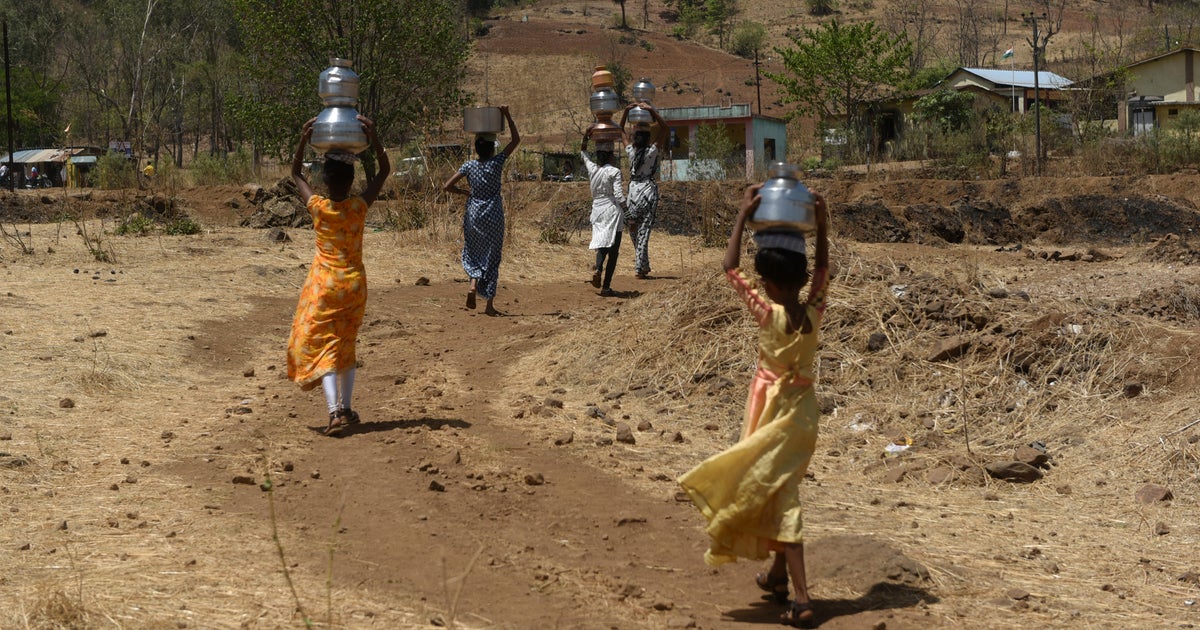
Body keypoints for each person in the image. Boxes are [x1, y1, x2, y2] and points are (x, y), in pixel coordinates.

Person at [677, 183, 829, 627]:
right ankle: (778, 577)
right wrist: (822, 224)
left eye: (763, 280)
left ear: (770, 283)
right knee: (779, 486)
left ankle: (803, 599)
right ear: (801, 280)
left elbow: (729, 268)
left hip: (771, 415)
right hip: (803, 416)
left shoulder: (767, 314)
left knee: (781, 497)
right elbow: (823, 268)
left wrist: (743, 214)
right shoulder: (814, 310)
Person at [287, 114, 390, 436]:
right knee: (346, 343)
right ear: (351, 181)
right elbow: (385, 171)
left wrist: (303, 139)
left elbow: (295, 173)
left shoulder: (318, 207)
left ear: (326, 181)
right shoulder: (359, 207)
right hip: (354, 286)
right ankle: (345, 408)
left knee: (326, 345)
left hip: (325, 286)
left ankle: (334, 413)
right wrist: (374, 136)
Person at [443, 105, 520, 316]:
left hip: (474, 214)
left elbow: (447, 186)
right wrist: (507, 114)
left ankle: (473, 285)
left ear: (477, 148)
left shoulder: (469, 166)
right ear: (492, 147)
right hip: (493, 214)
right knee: (492, 257)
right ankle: (489, 306)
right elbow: (515, 140)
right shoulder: (497, 162)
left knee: (474, 251)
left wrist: (464, 192)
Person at [619, 102, 669, 279]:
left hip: (633, 192)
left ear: (634, 138)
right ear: (648, 138)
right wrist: (651, 111)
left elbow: (620, 130)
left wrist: (626, 111)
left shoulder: (630, 151)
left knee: (633, 227)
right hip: (648, 191)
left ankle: (642, 265)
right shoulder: (652, 151)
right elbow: (665, 128)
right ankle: (641, 267)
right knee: (644, 230)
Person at [581, 126, 628, 297]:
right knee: (613, 251)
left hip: (597, 211)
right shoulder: (614, 171)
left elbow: (583, 153)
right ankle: (606, 287)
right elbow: (619, 195)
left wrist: (585, 137)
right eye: (613, 154)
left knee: (602, 243)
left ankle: (598, 268)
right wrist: (628, 211)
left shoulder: (593, 169)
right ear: (609, 155)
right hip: (612, 211)